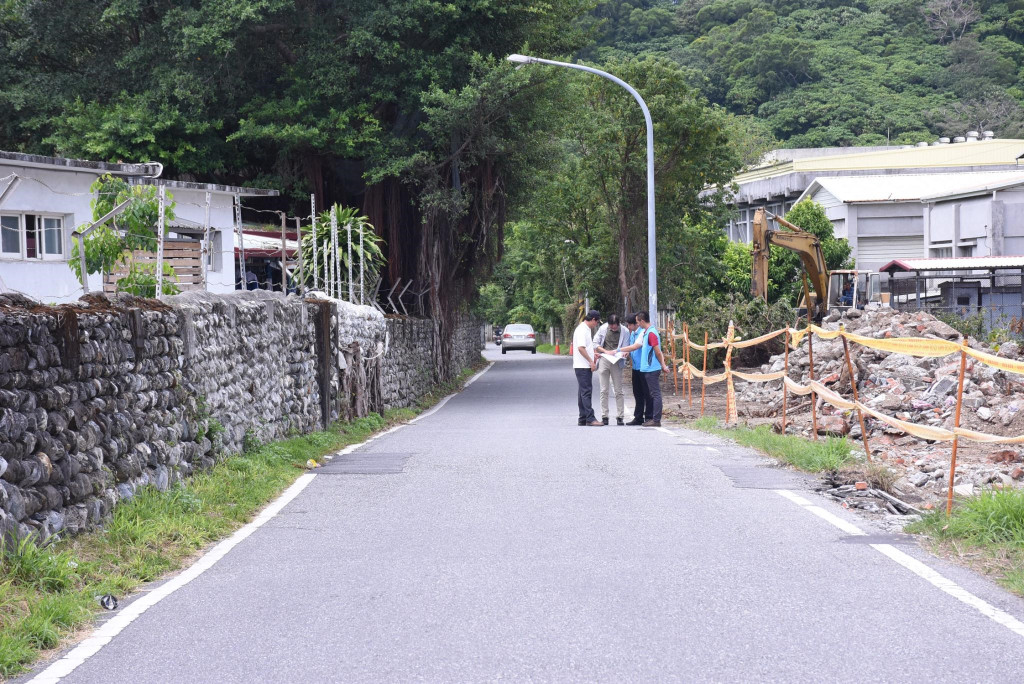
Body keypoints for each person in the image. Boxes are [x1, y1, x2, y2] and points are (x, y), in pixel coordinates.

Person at [620, 310, 666, 427]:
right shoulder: (645, 333)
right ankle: (641, 417)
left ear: (641, 321)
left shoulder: (650, 333)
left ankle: (653, 418)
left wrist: (663, 365)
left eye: (637, 322)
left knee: (653, 394)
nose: (637, 325)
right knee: (640, 393)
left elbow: (658, 352)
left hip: (650, 368)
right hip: (642, 368)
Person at [593, 314, 628, 425]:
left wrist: (624, 353)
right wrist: (605, 351)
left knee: (618, 390)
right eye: (611, 327)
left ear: (619, 324)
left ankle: (620, 416)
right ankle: (605, 416)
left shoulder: (625, 331)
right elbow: (595, 343)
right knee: (604, 389)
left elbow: (627, 347)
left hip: (617, 360)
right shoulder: (603, 328)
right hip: (604, 359)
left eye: (615, 327)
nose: (613, 329)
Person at [573, 310, 603, 427]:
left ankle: (583, 417)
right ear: (593, 319)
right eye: (596, 322)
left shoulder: (585, 329)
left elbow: (585, 348)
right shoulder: (582, 330)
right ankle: (590, 418)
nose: (596, 325)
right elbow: (581, 348)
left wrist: (592, 355)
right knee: (586, 392)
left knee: (582, 392)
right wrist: (591, 361)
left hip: (582, 365)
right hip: (583, 366)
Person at [623, 314, 651, 425]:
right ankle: (638, 417)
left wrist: (618, 350)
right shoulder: (633, 334)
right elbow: (631, 347)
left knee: (647, 393)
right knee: (637, 393)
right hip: (635, 367)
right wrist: (627, 352)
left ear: (636, 324)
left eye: (630, 325)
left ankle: (649, 416)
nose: (628, 327)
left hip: (643, 368)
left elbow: (636, 346)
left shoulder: (642, 333)